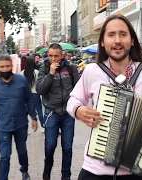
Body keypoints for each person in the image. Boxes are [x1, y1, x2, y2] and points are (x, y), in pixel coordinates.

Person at [66, 14, 142, 180]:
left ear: (132, 41)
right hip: (95, 170)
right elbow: (73, 100)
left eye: (123, 34)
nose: (117, 40)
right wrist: (79, 110)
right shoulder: (92, 71)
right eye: (111, 35)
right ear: (102, 42)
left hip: (135, 171)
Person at [0, 55, 38, 180]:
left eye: (8, 66)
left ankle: (24, 171)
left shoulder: (21, 80)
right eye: (2, 66)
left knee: (22, 151)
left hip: (21, 124)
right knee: (4, 156)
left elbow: (30, 100)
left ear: (12, 67)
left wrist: (34, 118)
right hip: (3, 126)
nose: (5, 69)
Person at [36, 43, 80, 180]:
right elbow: (39, 90)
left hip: (68, 114)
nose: (53, 59)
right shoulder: (43, 68)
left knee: (67, 147)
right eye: (50, 56)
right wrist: (50, 74)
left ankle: (65, 176)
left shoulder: (71, 68)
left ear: (62, 55)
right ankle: (47, 171)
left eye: (56, 56)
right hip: (51, 112)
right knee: (50, 146)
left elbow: (78, 88)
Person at [20, 56, 44, 129]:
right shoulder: (36, 72)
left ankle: (24, 128)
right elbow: (39, 83)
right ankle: (43, 127)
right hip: (35, 94)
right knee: (39, 111)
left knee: (25, 112)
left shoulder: (22, 73)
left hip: (25, 95)